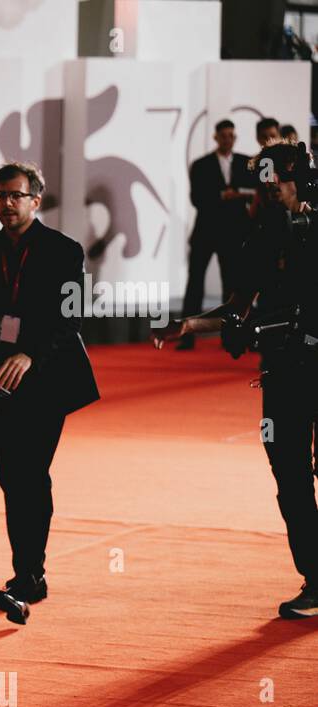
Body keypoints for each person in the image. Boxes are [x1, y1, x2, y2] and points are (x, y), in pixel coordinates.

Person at [159, 141, 318, 619]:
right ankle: (314, 579)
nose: (268, 190)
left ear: (301, 180)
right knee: (289, 476)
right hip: (282, 371)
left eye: (277, 182)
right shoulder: (263, 233)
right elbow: (237, 307)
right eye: (263, 182)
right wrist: (189, 325)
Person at [0, 161, 100, 625]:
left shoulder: (65, 252)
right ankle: (27, 572)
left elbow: (70, 321)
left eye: (15, 196)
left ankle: (29, 574)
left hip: (47, 378)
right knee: (10, 476)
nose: (6, 204)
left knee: (31, 471)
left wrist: (30, 356)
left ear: (35, 200)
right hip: (1, 379)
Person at [178, 119, 255, 351]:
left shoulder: (245, 163)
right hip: (206, 232)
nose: (227, 139)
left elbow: (256, 193)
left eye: (231, 135)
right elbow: (196, 199)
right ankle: (186, 336)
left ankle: (231, 336)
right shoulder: (201, 165)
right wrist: (222, 196)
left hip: (233, 233)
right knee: (195, 286)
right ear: (215, 137)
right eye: (223, 135)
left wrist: (238, 195)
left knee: (231, 287)